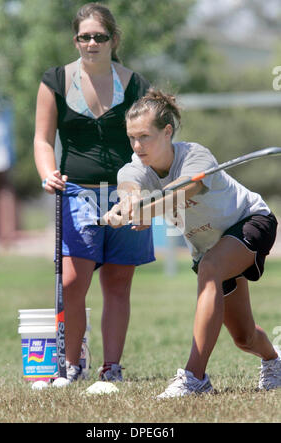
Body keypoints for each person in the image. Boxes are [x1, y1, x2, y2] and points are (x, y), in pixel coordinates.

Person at [103, 88, 281, 397]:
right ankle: (274, 360)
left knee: (210, 268)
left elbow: (179, 192)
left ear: (167, 131)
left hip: (251, 220)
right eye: (132, 137)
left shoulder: (195, 156)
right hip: (210, 246)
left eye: (145, 136)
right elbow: (128, 187)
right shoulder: (135, 167)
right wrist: (128, 207)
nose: (137, 145)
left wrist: (146, 210)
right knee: (244, 336)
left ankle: (195, 377)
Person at [34, 3, 155, 383]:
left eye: (99, 36)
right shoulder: (54, 80)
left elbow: (148, 141)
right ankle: (72, 365)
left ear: (112, 40)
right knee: (72, 282)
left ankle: (112, 368)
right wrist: (47, 171)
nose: (91, 43)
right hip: (76, 193)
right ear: (75, 40)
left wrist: (142, 191)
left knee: (118, 282)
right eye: (84, 36)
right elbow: (41, 139)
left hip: (127, 195)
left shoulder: (135, 84)